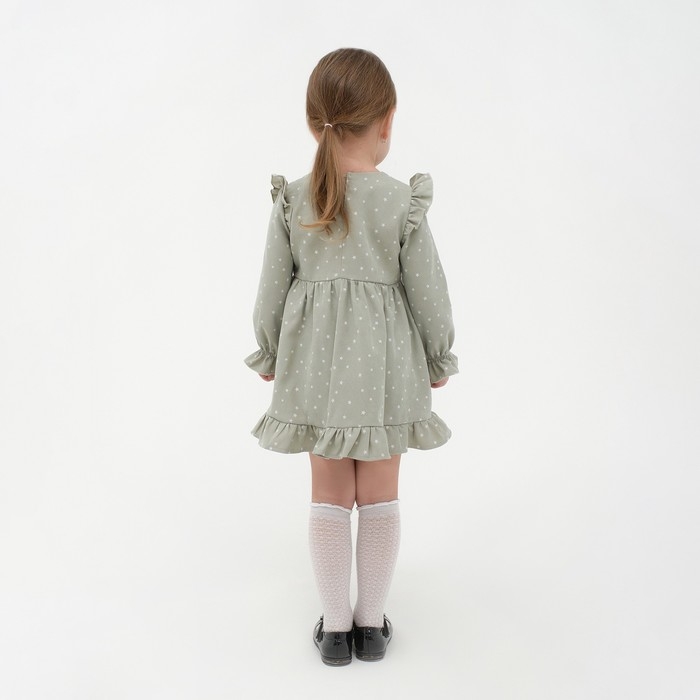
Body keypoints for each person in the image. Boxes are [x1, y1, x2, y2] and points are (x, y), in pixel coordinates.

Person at [244, 48, 458, 666]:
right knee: (381, 495)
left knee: (330, 495)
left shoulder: (295, 200)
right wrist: (437, 356)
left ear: (314, 123)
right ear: (386, 121)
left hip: (316, 370)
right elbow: (429, 289)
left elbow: (271, 287)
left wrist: (269, 349)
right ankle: (371, 625)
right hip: (387, 369)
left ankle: (335, 630)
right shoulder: (399, 201)